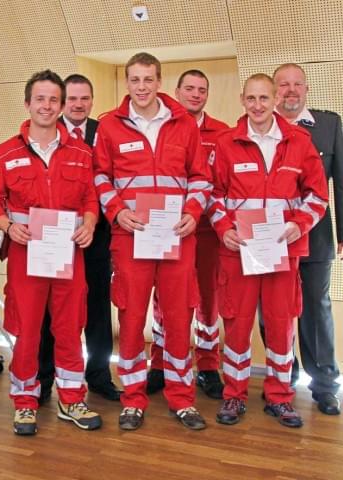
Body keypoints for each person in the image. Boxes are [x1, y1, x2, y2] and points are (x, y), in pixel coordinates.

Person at [94, 52, 211, 431]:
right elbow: (99, 177)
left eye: (148, 79)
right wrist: (116, 212)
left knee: (179, 317)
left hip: (178, 235)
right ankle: (132, 400)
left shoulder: (183, 123)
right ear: (126, 83)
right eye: (135, 80)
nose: (141, 87)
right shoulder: (110, 125)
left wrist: (193, 213)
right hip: (131, 237)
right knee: (130, 319)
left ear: (159, 81)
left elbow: (201, 176)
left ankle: (182, 398)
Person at [0, 69, 102, 436]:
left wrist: (89, 223)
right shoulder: (4, 153)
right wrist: (7, 226)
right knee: (28, 329)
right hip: (26, 253)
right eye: (41, 99)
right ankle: (24, 401)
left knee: (69, 328)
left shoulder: (82, 153)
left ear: (61, 105)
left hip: (68, 253)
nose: (47, 106)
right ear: (27, 103)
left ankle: (72, 397)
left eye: (54, 100)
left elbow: (89, 197)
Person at [210, 73, 328, 428]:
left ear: (275, 98)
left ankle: (279, 397)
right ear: (242, 101)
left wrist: (299, 225)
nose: (258, 106)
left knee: (280, 326)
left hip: (281, 250)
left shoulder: (299, 141)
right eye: (251, 99)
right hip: (238, 251)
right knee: (237, 325)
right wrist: (223, 228)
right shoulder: (226, 143)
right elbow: (213, 195)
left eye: (264, 98)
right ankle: (234, 395)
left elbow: (318, 195)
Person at [269, 63, 343, 416]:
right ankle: (281, 379)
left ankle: (324, 385)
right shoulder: (260, 125)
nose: (290, 91)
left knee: (316, 312)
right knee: (272, 311)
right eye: (283, 85)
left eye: (296, 84)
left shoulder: (328, 124)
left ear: (306, 89)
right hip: (270, 237)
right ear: (274, 91)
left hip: (316, 237)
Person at [37, 74, 122, 403]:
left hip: (96, 237)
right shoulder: (45, 131)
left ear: (92, 100)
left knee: (98, 307)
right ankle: (44, 378)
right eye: (71, 98)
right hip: (54, 236)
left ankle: (99, 375)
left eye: (84, 98)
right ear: (60, 101)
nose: (77, 104)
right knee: (49, 311)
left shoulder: (105, 134)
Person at [147, 70, 230, 399]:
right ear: (177, 92)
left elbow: (221, 183)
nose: (195, 94)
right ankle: (159, 362)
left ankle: (208, 365)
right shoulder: (162, 128)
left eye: (202, 90)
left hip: (208, 231)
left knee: (208, 299)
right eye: (189, 89)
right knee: (163, 299)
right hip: (165, 229)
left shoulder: (222, 133)